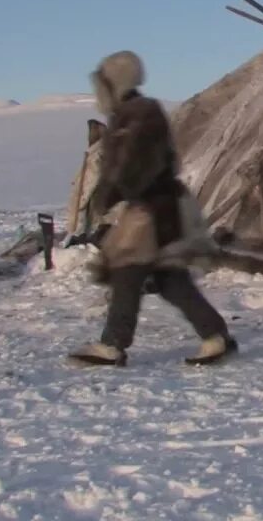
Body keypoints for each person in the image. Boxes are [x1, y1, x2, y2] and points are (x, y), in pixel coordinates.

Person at [68, 50, 237, 367]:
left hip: (153, 206)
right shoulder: (127, 115)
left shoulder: (141, 114)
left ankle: (113, 345)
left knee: (128, 271)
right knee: (168, 277)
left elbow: (137, 164)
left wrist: (113, 191)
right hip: (150, 205)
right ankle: (216, 335)